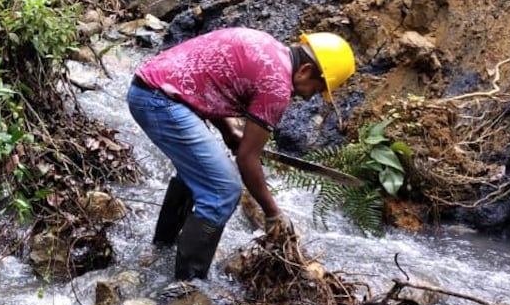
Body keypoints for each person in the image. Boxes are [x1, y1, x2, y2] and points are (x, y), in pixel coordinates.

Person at [125, 28, 357, 282]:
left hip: (148, 87)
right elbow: (247, 159)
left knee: (200, 175)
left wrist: (228, 131)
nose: (313, 95)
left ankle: (161, 249)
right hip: (160, 101)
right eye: (318, 87)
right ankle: (187, 286)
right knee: (222, 189)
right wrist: (273, 214)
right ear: (305, 71)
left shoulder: (265, 43)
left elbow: (206, 83)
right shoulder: (277, 87)